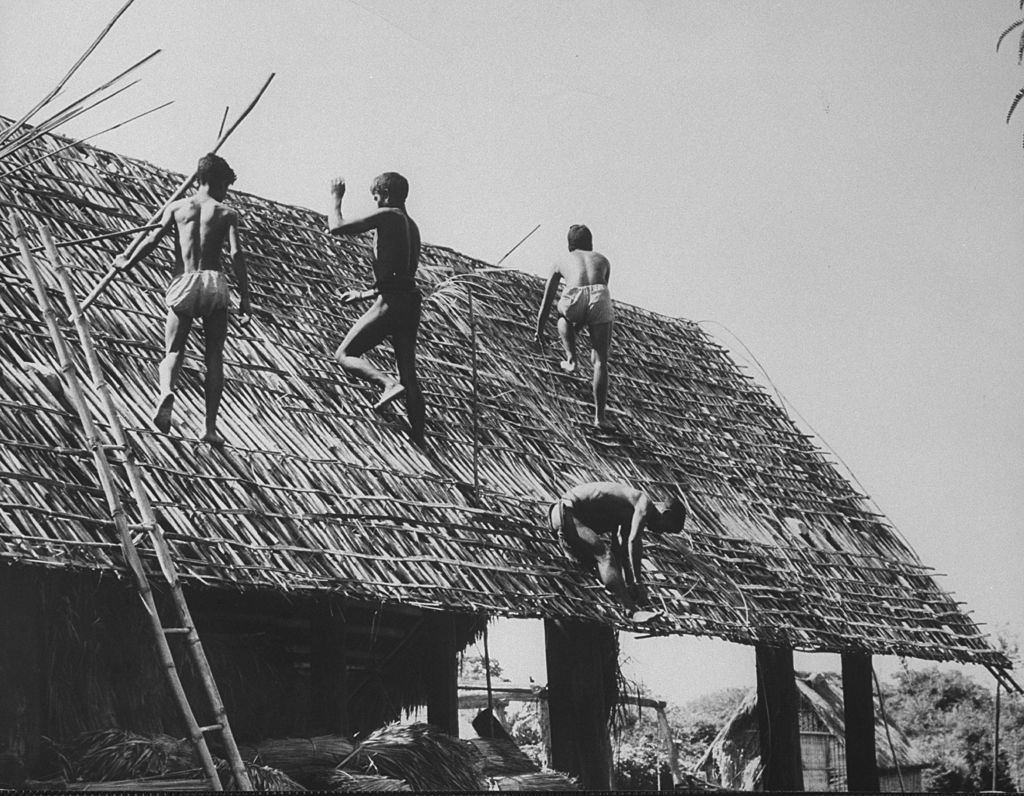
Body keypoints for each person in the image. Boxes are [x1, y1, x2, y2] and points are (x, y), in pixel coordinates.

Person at [115, 153, 249, 445]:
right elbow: (237, 255)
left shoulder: (176, 207)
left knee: (173, 351)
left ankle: (166, 391)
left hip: (185, 281)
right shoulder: (227, 213)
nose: (226, 192)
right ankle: (209, 428)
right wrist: (246, 298)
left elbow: (151, 240)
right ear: (214, 183)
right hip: (214, 282)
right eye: (225, 185)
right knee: (214, 356)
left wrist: (128, 262)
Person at [327, 172, 426, 448]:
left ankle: (386, 383)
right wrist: (363, 294)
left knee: (344, 354)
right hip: (410, 302)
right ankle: (420, 438)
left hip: (391, 303)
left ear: (386, 195)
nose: (375, 202)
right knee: (410, 374)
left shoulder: (387, 215)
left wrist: (336, 197)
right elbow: (401, 275)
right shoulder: (413, 227)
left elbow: (336, 227)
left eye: (375, 197)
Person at [548, 481, 686, 621]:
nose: (661, 532)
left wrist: (630, 584)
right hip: (566, 513)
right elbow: (634, 541)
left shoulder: (628, 511)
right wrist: (638, 583)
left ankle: (629, 604)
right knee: (605, 557)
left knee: (609, 558)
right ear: (666, 514)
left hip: (566, 518)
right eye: (666, 528)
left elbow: (621, 550)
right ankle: (631, 612)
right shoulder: (643, 502)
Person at [534, 224, 614, 428]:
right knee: (600, 361)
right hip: (600, 296)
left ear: (570, 246)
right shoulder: (603, 260)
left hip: (574, 297)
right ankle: (600, 418)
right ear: (591, 244)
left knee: (562, 315)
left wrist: (539, 331)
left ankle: (571, 359)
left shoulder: (561, 261)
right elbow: (596, 295)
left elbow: (547, 301)